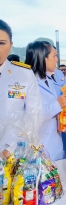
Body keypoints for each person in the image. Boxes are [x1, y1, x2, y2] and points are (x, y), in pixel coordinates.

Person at [0, 20, 43, 157]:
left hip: (12, 151)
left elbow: (35, 115)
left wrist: (10, 148)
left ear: (11, 45)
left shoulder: (24, 74)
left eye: (2, 43)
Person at [25, 41, 66, 161]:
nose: (57, 60)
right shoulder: (29, 82)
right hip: (41, 142)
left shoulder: (49, 79)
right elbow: (31, 116)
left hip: (55, 140)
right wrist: (58, 104)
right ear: (43, 58)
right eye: (54, 56)